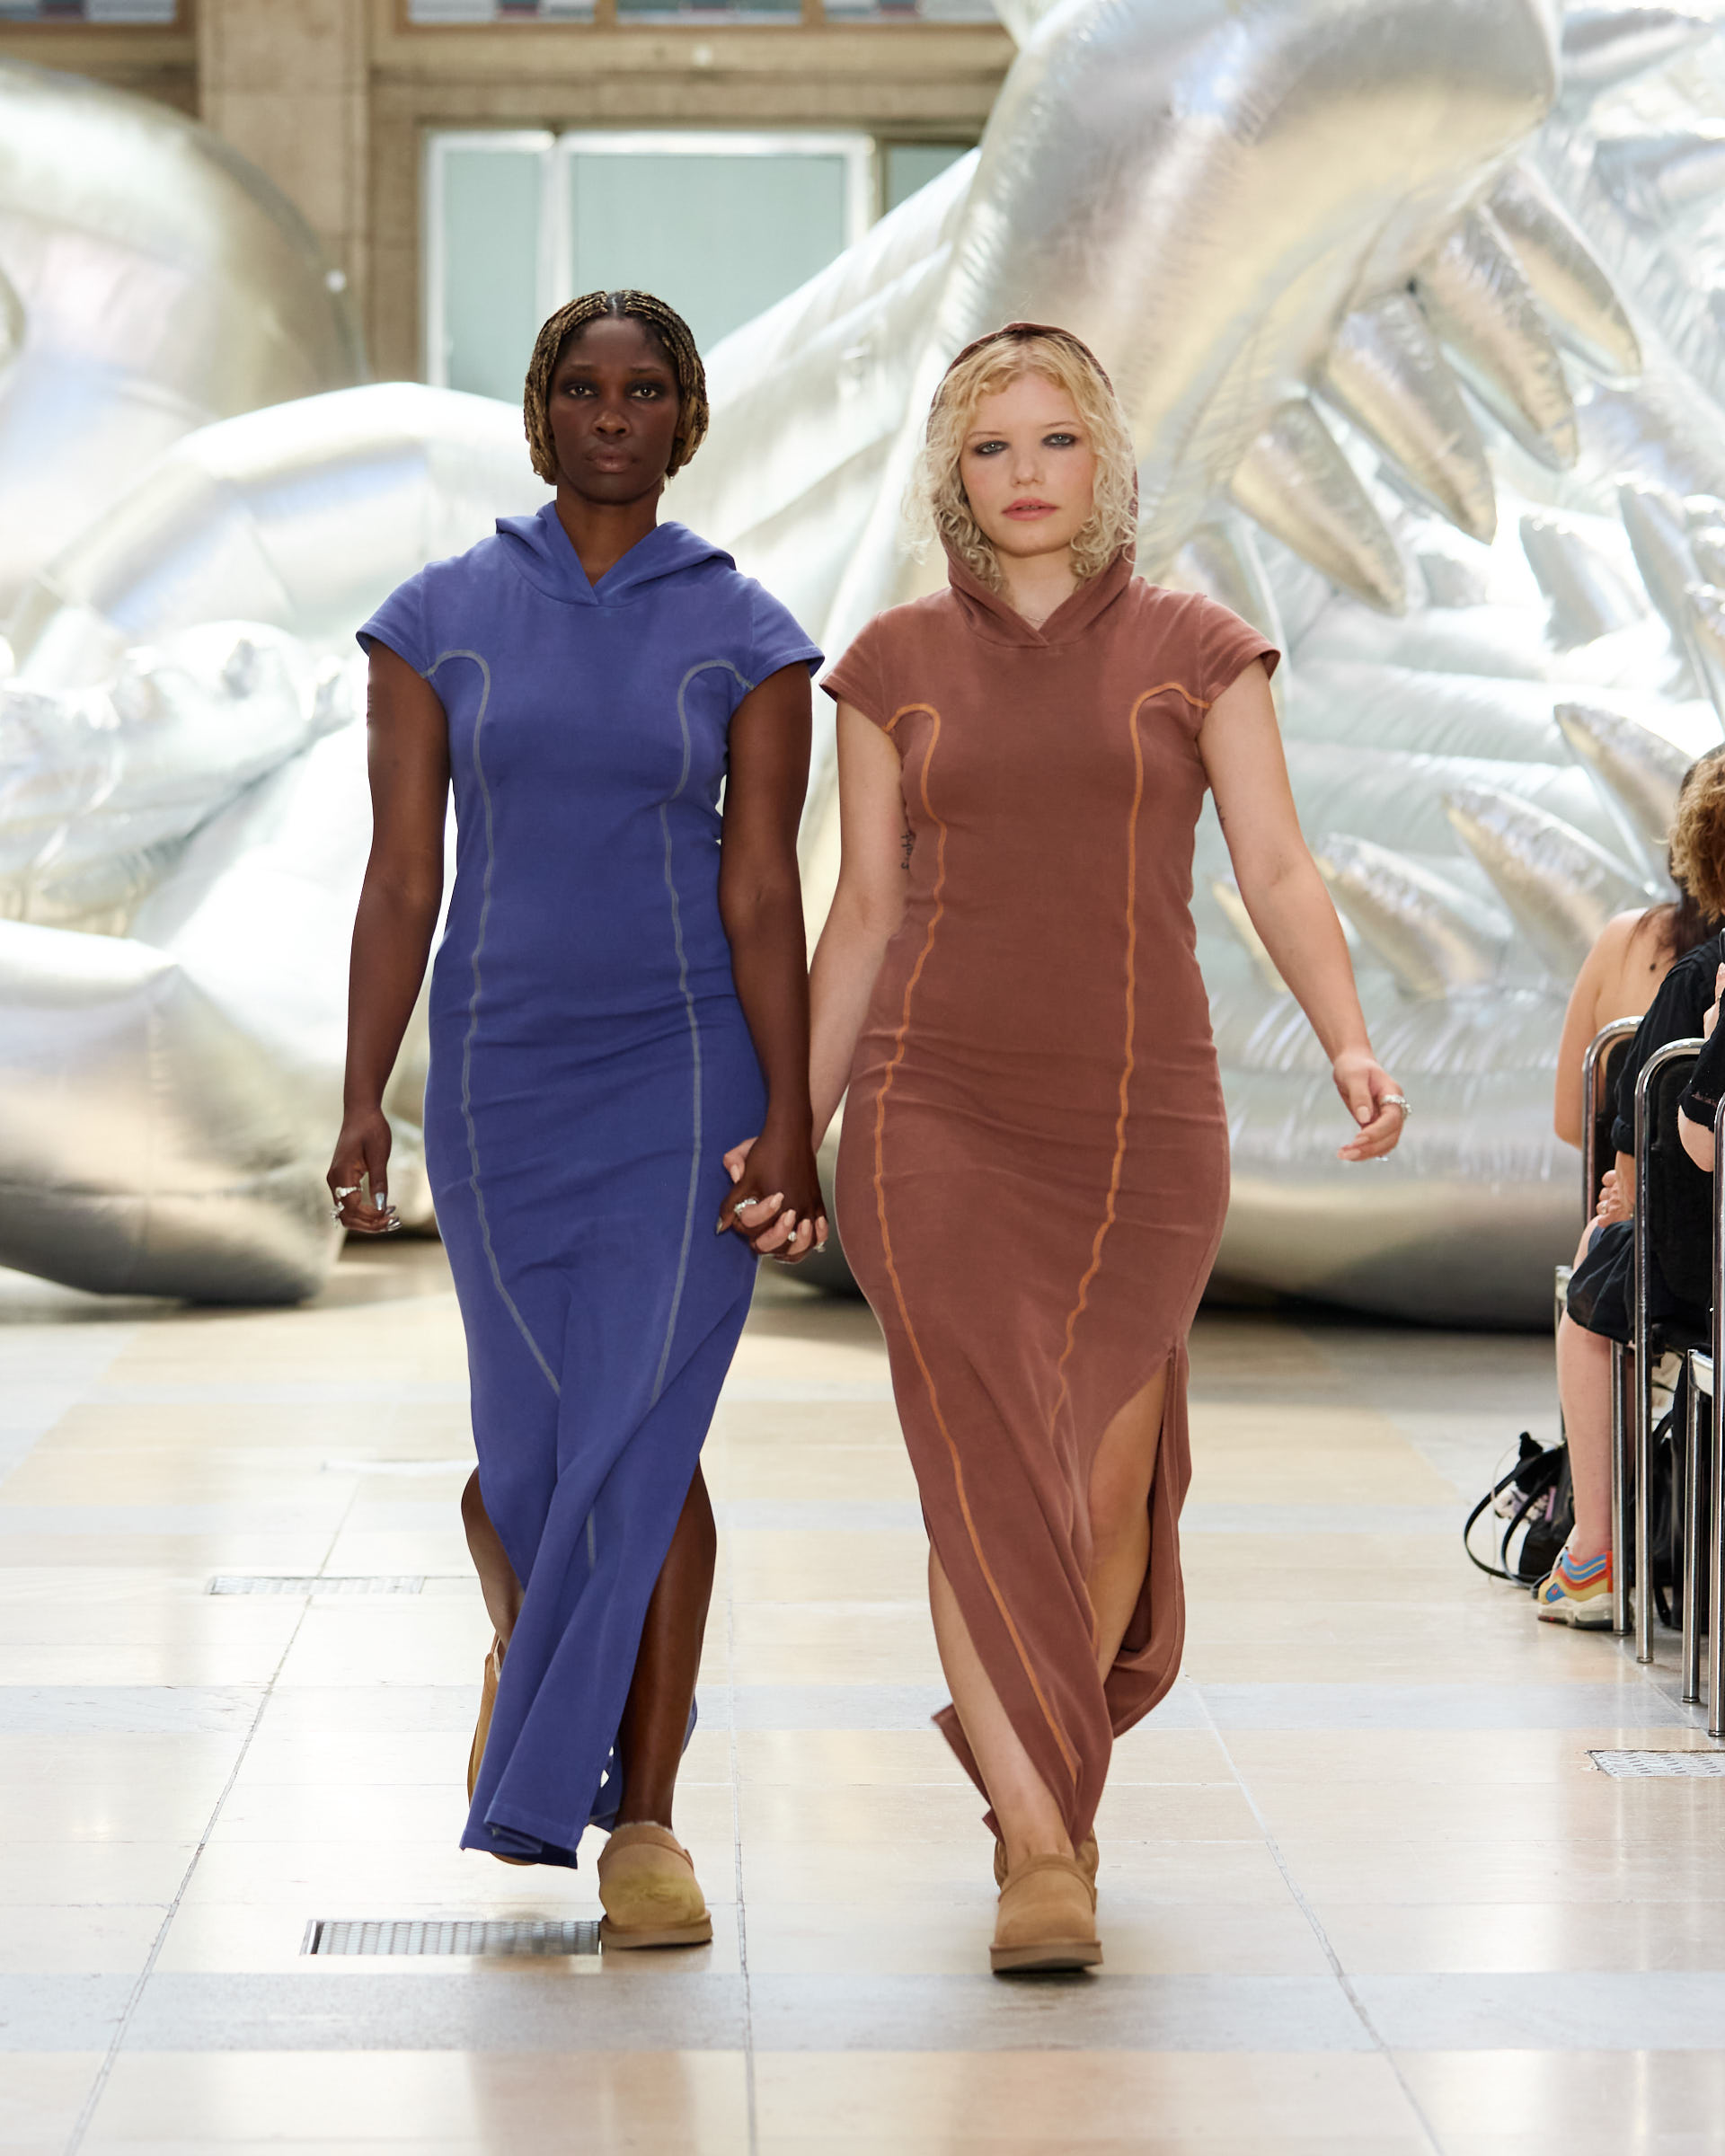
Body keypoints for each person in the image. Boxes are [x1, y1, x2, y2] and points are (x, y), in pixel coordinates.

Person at [768, 323, 1407, 1974]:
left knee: (1107, 1481)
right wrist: (789, 1128)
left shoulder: (1203, 651)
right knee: (982, 1467)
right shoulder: (892, 664)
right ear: (954, 478)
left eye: (1056, 441)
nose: (1027, 473)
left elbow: (1276, 867)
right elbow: (864, 915)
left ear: (1106, 457)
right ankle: (1040, 1849)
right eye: (992, 448)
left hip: (1140, 1120)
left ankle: (1052, 1776)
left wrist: (1347, 1038)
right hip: (930, 1110)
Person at [326, 290, 825, 1946]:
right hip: (499, 1081)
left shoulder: (750, 634)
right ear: (539, 414)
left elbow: (765, 893)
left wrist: (794, 1115)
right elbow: (402, 881)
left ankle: (648, 1822)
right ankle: (534, 1660)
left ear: (688, 418)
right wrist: (360, 1099)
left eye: (649, 389)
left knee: (644, 1438)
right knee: (529, 1460)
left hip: (686, 1081)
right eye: (585, 389)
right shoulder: (437, 620)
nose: (615, 414)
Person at [1538, 755, 1725, 1626]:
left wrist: (1624, 1196)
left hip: (1695, 1277)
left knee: (1598, 1273)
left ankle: (1597, 1549)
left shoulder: (1677, 972)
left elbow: (1628, 1140)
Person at [1552, 751, 1725, 1152]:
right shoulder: (1698, 972)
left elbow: (1570, 1120)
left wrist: (1627, 1170)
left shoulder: (1625, 940)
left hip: (1635, 1181)